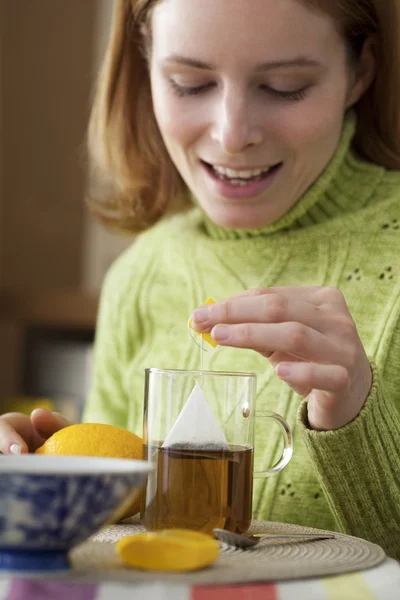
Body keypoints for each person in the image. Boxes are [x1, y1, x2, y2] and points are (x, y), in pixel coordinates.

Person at [1, 0, 399, 558]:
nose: (233, 135)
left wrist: (356, 416)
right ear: (144, 72)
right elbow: (116, 546)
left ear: (361, 71)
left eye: (284, 87)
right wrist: (51, 483)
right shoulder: (139, 276)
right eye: (189, 84)